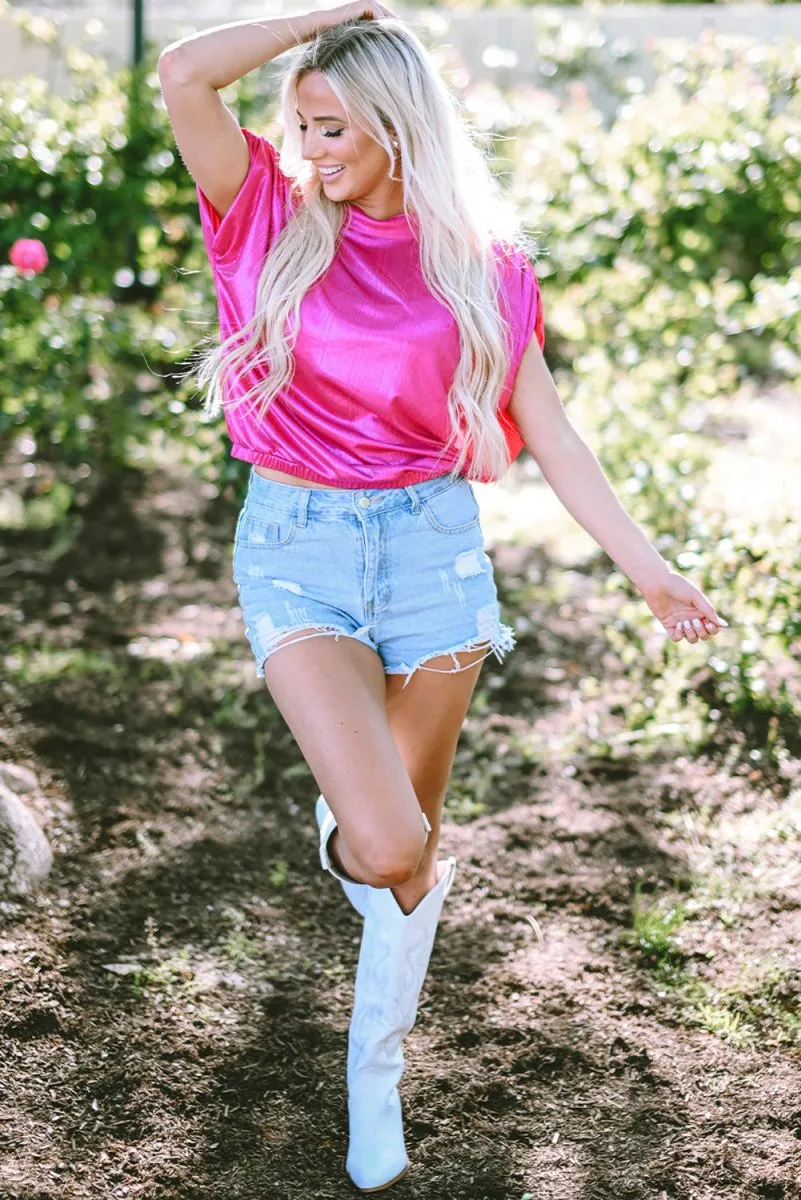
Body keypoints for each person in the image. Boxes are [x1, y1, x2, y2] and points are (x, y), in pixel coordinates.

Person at [158, 6, 728, 1190]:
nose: (311, 149)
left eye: (334, 129)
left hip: (434, 559)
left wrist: (648, 566)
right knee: (385, 838)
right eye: (303, 126)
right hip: (298, 546)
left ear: (397, 125)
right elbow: (182, 72)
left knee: (406, 861)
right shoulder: (262, 212)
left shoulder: (482, 264)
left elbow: (554, 439)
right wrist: (334, 13)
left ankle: (378, 1069)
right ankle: (371, 1019)